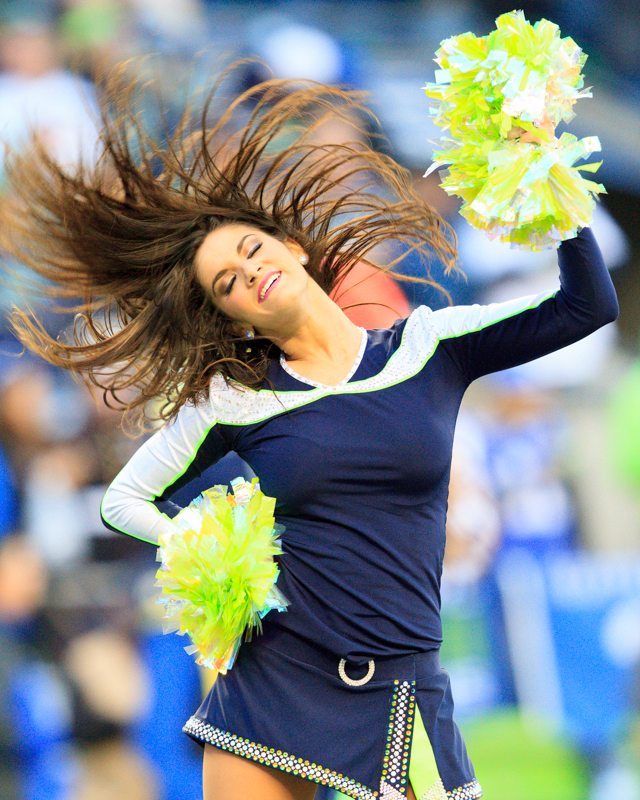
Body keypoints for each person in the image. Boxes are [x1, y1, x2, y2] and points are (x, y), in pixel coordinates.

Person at [4, 69, 618, 800]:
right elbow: (125, 500)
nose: (248, 273)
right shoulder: (236, 401)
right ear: (233, 318)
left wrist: (548, 166)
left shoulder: (429, 346)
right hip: (275, 686)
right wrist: (212, 552)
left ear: (292, 247)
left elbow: (588, 304)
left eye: (253, 251)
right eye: (227, 283)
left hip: (397, 690)